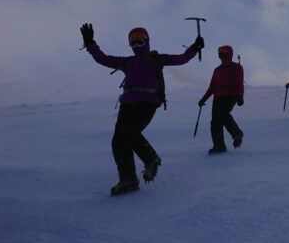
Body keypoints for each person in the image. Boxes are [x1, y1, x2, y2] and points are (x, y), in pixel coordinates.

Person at [79, 23, 204, 196]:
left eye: (140, 42)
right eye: (133, 43)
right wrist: (90, 43)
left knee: (130, 133)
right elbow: (103, 59)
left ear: (147, 41)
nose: (137, 46)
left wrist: (194, 48)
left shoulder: (156, 59)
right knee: (118, 140)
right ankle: (128, 179)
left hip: (147, 102)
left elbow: (181, 58)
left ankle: (151, 159)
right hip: (127, 104)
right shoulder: (127, 62)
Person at [198, 46, 245, 155]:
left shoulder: (237, 67)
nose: (222, 55)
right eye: (220, 53)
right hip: (217, 98)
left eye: (225, 52)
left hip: (231, 95)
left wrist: (239, 96)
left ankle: (237, 133)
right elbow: (212, 87)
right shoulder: (217, 70)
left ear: (230, 54)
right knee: (215, 122)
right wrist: (203, 99)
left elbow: (239, 83)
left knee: (223, 114)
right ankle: (219, 146)